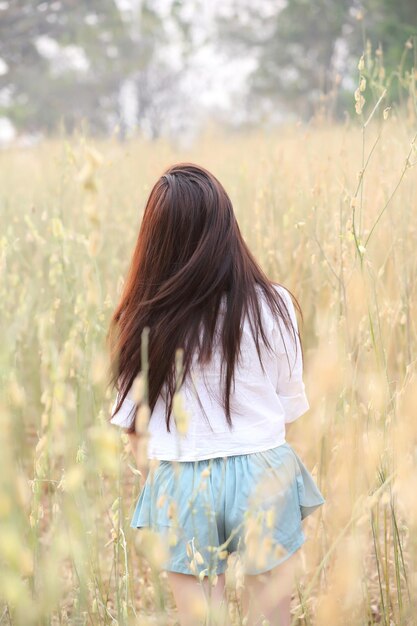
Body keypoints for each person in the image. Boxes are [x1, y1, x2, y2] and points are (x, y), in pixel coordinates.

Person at [107, 162, 325, 626]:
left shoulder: (142, 317)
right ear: (228, 228)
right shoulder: (276, 303)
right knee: (272, 619)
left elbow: (134, 428)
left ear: (154, 241)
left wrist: (166, 475)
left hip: (183, 479)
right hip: (263, 469)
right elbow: (288, 407)